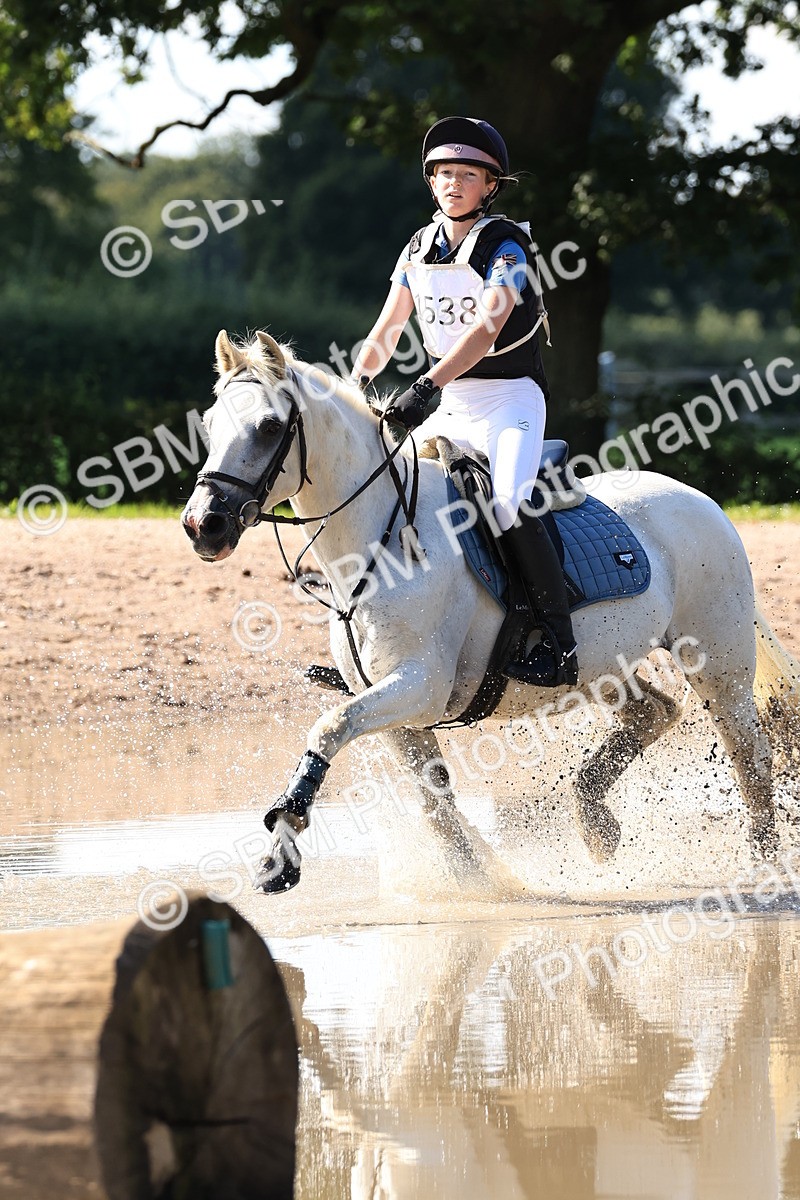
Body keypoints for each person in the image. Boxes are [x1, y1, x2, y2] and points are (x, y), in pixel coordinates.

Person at [349, 115, 578, 687]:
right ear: (431, 182)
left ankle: (557, 638)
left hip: (509, 401)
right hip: (452, 402)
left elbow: (486, 329)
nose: (453, 183)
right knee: (389, 493)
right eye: (444, 174)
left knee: (506, 503)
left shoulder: (507, 244)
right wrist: (354, 387)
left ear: (490, 185)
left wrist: (426, 387)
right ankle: (379, 638)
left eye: (467, 175)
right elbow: (385, 333)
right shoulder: (415, 247)